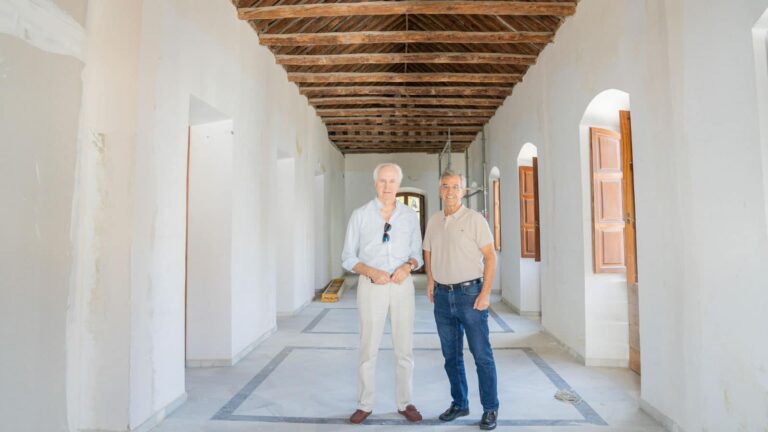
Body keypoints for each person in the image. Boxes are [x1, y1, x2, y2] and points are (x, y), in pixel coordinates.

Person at [341, 163, 424, 425]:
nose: (387, 187)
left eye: (392, 181)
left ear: (398, 185)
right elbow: (347, 257)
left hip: (402, 286)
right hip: (371, 285)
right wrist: (369, 270)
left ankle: (405, 402)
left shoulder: (410, 216)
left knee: (404, 348)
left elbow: (417, 255)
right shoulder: (361, 215)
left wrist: (407, 266)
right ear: (375, 183)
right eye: (382, 181)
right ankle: (365, 404)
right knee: (368, 347)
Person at [423, 169, 499, 430]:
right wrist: (431, 281)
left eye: (456, 186)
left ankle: (490, 408)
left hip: (471, 295)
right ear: (439, 190)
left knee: (481, 355)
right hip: (443, 298)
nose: (451, 191)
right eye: (446, 186)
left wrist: (486, 293)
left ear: (463, 191)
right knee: (450, 356)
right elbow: (428, 251)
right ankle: (460, 403)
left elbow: (490, 256)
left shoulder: (475, 219)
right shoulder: (433, 220)